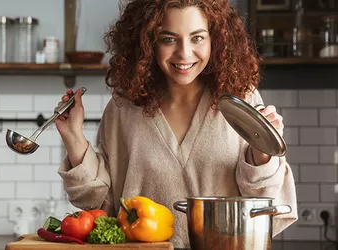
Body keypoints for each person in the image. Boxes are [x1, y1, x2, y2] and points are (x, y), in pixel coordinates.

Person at [54, 0, 298, 247]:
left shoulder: (241, 99)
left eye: (197, 38)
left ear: (216, 40)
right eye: (168, 39)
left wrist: (262, 151)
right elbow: (101, 206)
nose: (184, 53)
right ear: (148, 42)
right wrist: (73, 136)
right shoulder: (123, 108)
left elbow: (265, 200)